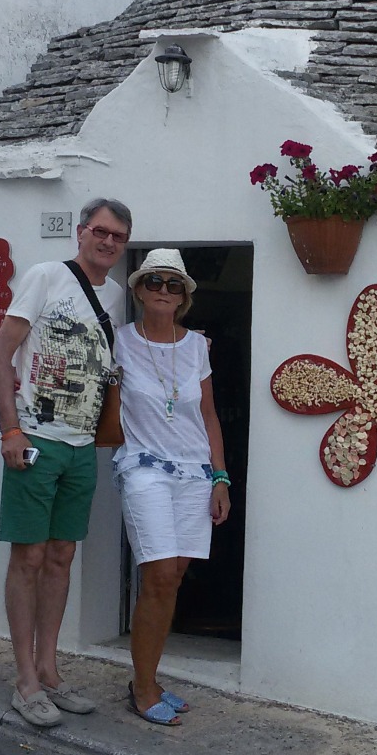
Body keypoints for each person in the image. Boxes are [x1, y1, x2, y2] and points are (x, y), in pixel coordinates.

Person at [0, 197, 131, 728]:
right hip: (37, 440)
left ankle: (49, 670)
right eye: (101, 231)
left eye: (118, 236)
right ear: (81, 232)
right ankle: (24, 679)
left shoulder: (115, 296)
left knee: (62, 556)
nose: (108, 241)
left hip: (82, 445)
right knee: (28, 557)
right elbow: (1, 353)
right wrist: (10, 429)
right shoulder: (46, 276)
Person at [112, 248, 231, 726]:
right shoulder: (119, 341)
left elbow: (208, 415)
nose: (163, 290)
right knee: (159, 575)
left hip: (194, 471)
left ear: (184, 297)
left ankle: (151, 678)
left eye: (173, 284)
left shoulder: (198, 347)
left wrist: (220, 477)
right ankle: (141, 689)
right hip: (144, 467)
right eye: (154, 281)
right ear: (139, 290)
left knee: (175, 577)